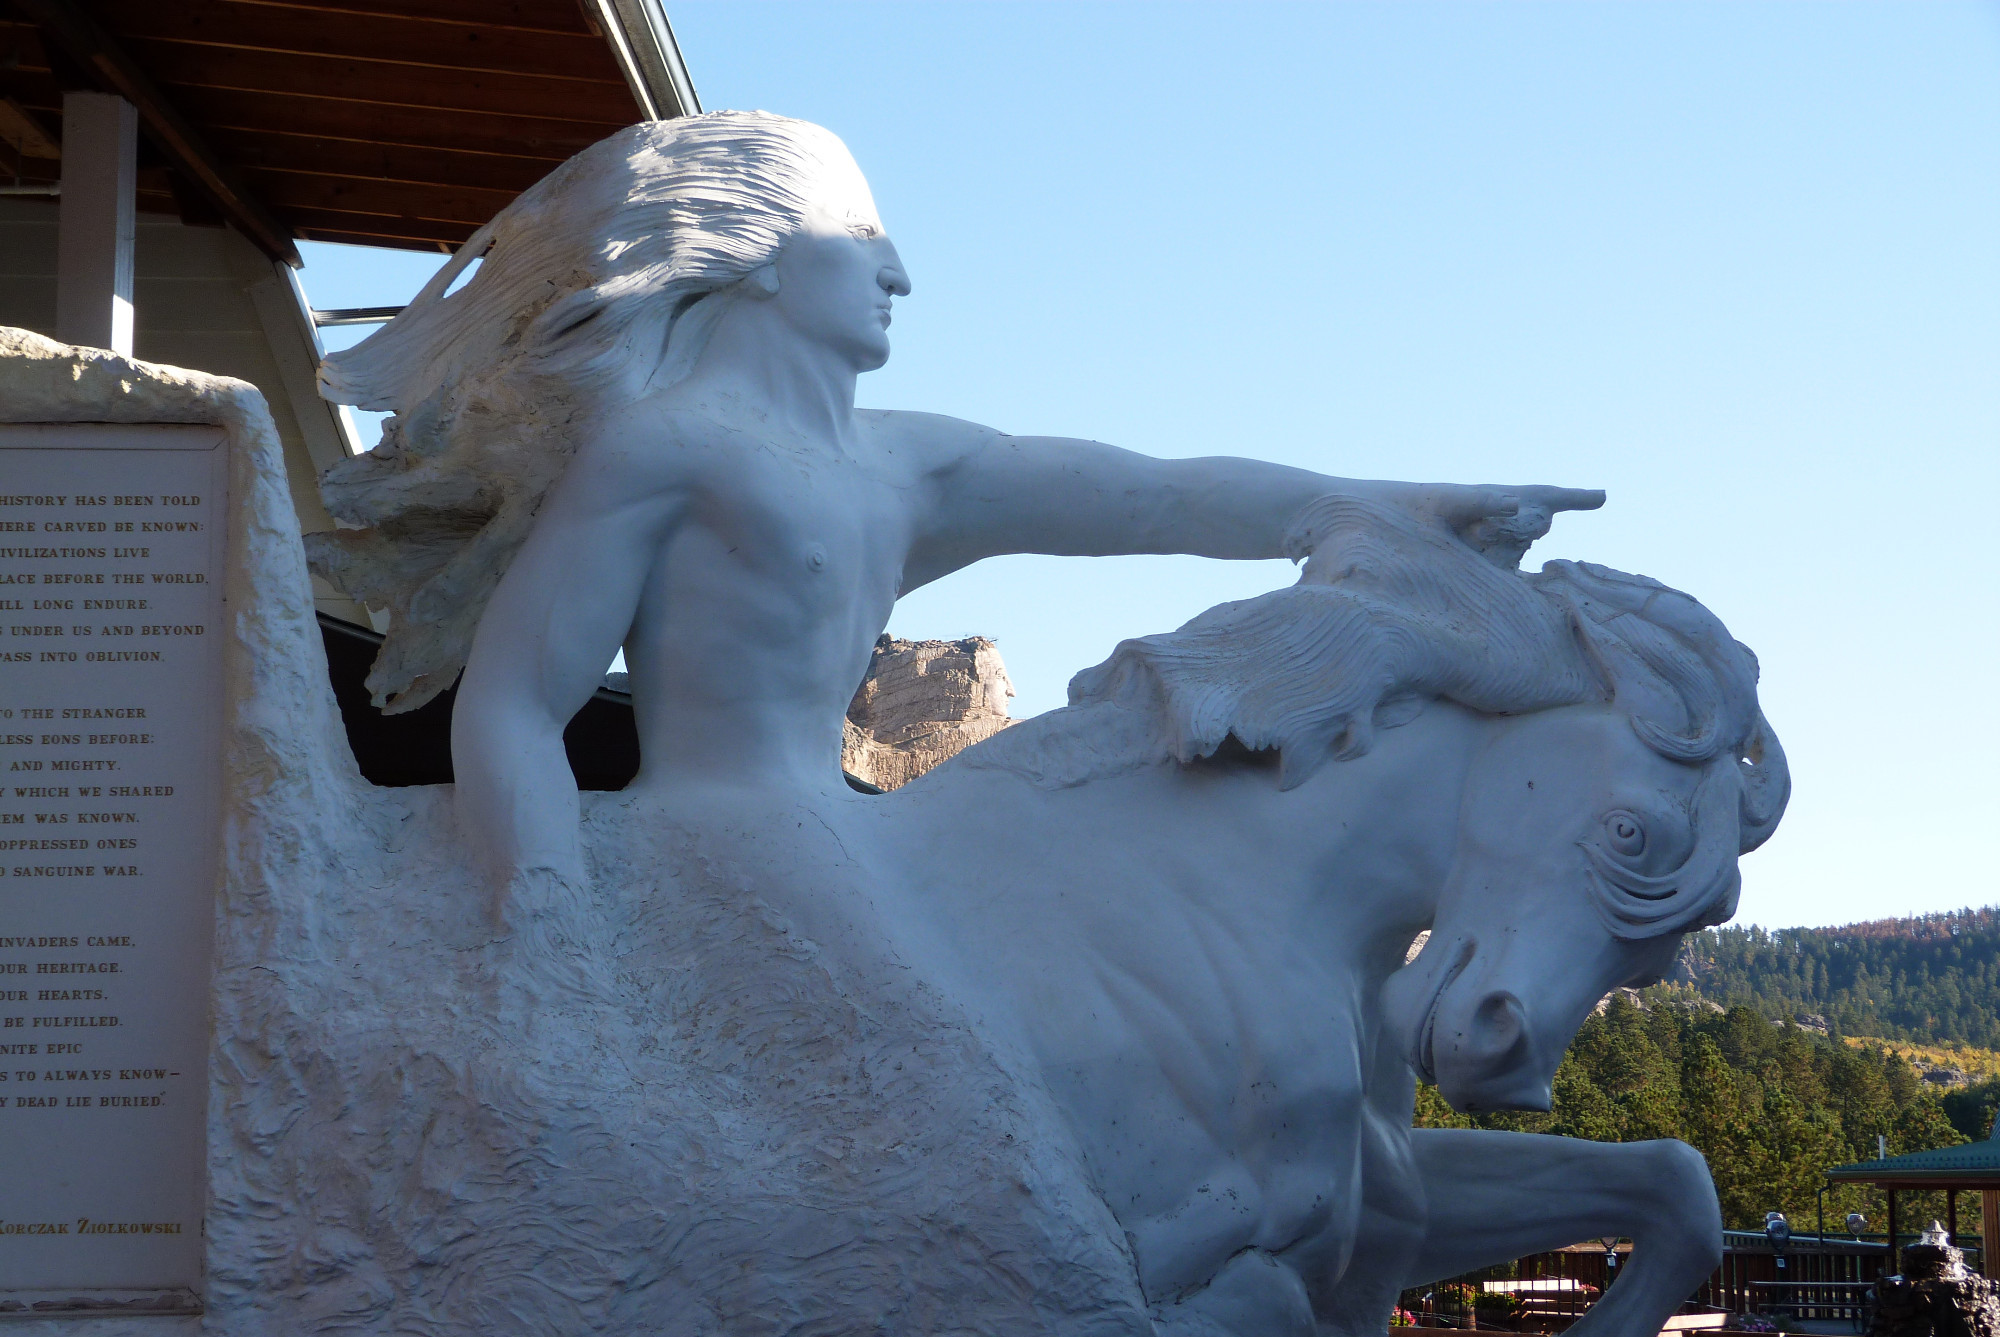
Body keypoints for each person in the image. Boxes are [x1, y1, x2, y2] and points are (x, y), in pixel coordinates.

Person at [310, 111, 1601, 901]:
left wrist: (1386, 509)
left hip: (845, 845)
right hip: (723, 862)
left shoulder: (903, 465)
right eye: (865, 242)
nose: (902, 275)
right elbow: (518, 709)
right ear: (762, 258)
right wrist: (546, 922)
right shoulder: (668, 450)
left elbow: (1152, 495)